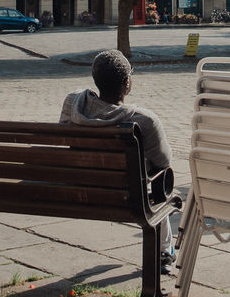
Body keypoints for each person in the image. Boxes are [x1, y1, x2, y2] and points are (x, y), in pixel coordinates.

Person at [60, 49, 175, 273]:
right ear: (127, 82)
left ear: (96, 80)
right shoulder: (144, 120)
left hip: (79, 190)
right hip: (127, 197)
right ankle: (163, 251)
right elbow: (164, 161)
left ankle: (164, 251)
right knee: (161, 183)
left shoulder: (72, 105)